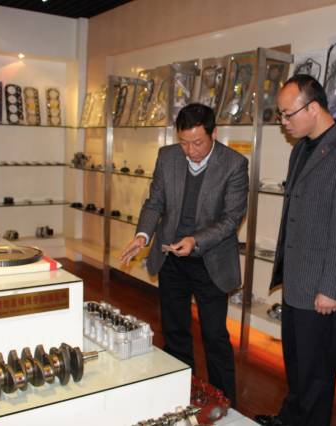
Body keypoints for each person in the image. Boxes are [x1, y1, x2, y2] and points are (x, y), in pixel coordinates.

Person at [255, 75, 336, 426]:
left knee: (317, 373)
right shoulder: (300, 149)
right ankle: (290, 418)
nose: (283, 122)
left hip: (321, 287)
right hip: (297, 277)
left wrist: (331, 288)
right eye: (280, 114)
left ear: (314, 108)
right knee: (296, 363)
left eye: (288, 114)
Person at [119, 103, 248, 404]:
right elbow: (155, 202)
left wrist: (195, 240)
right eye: (184, 142)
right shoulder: (168, 157)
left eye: (198, 143)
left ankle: (225, 404)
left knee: (214, 336)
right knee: (174, 331)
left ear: (214, 134)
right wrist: (142, 235)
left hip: (210, 261)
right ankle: (179, 395)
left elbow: (231, 219)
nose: (190, 151)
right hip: (171, 258)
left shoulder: (234, 164)